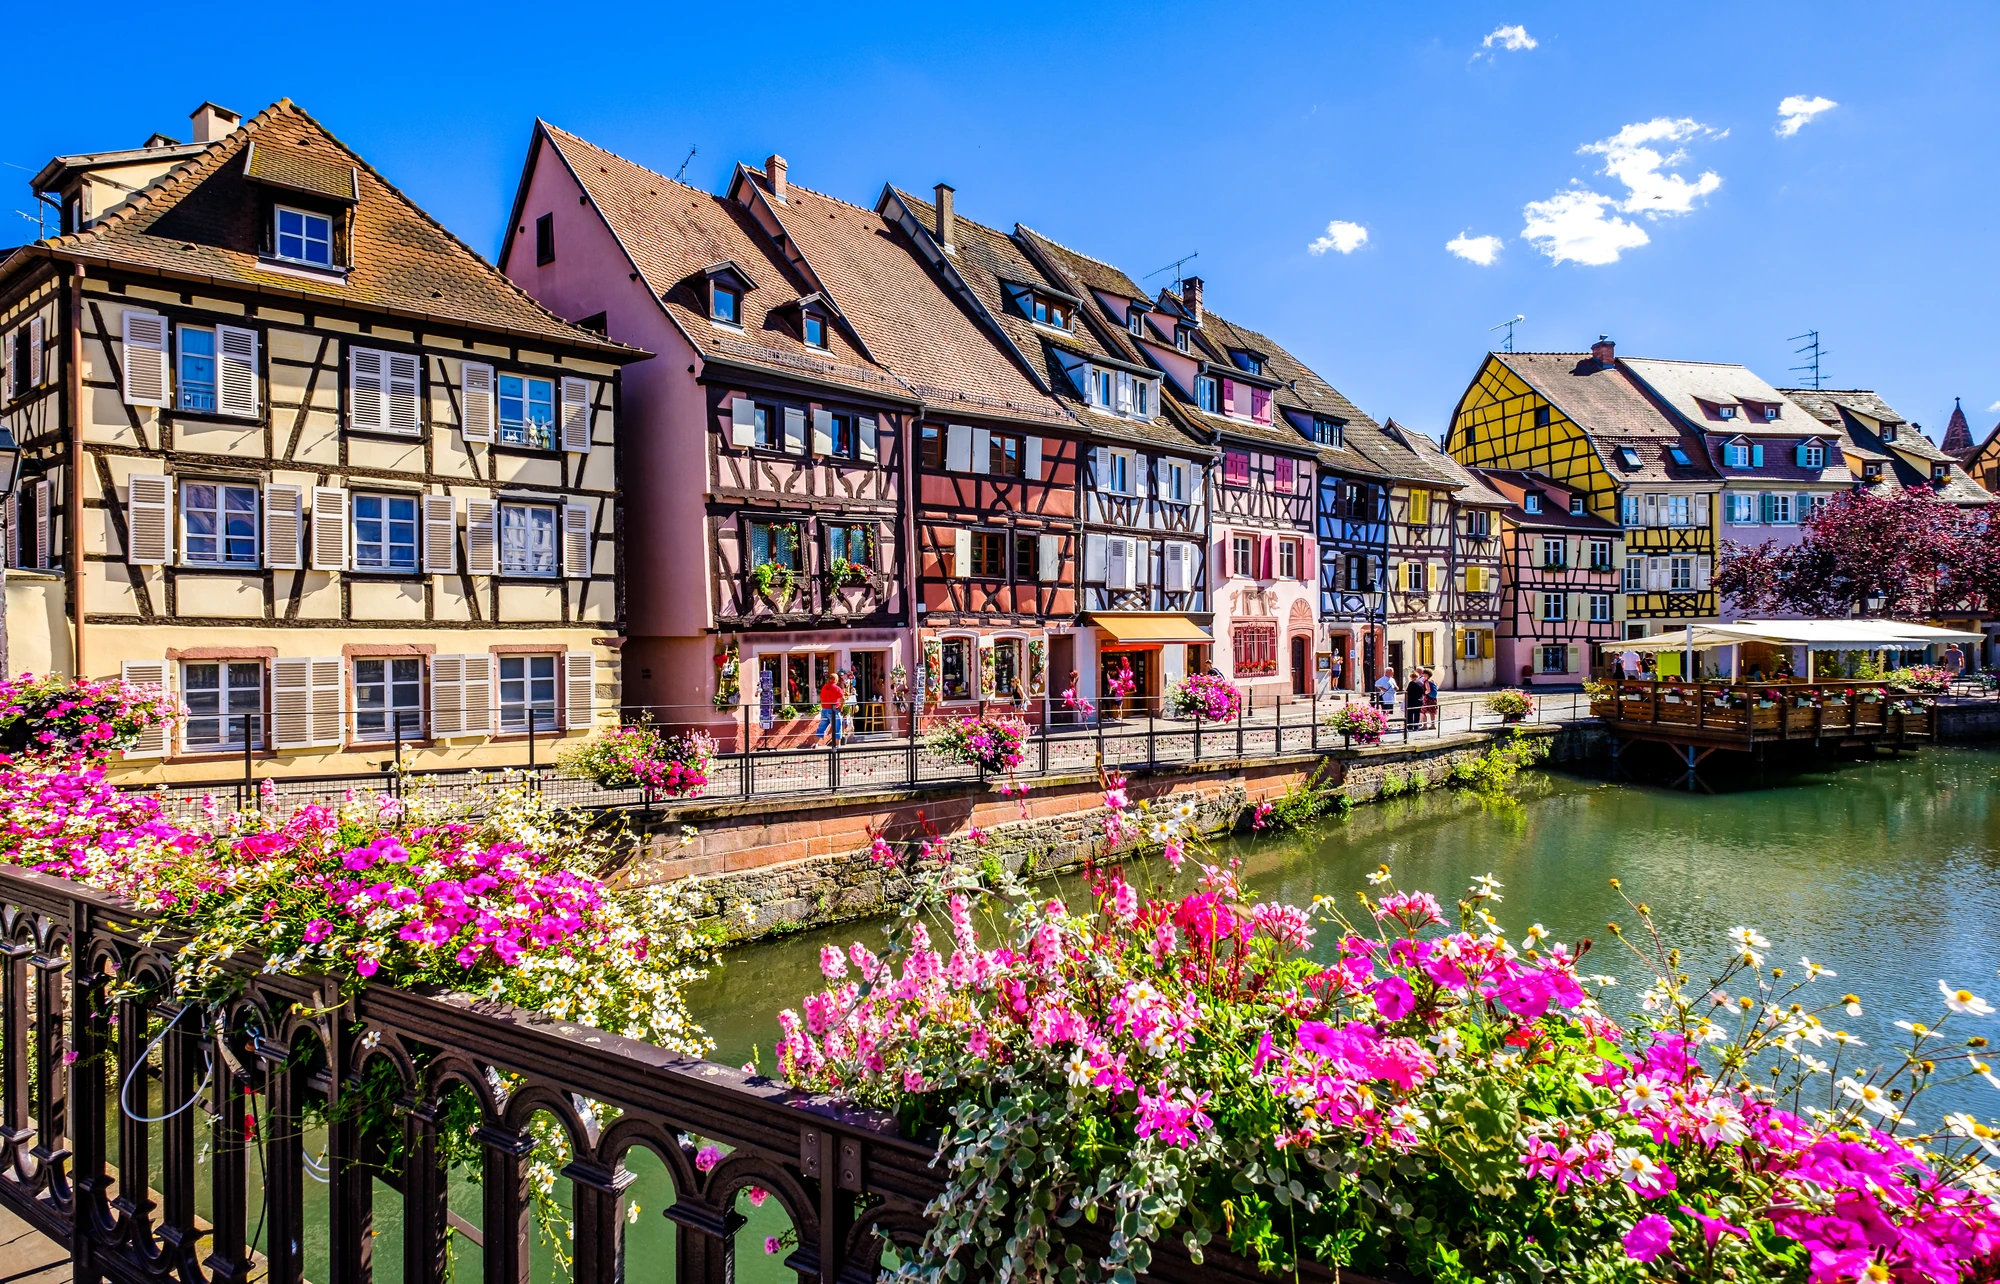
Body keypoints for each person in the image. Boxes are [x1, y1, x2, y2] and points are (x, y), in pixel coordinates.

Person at [816, 671, 845, 745]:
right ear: (835, 680)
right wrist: (841, 707)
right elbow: (843, 698)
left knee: (821, 728)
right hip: (833, 710)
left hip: (824, 709)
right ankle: (837, 747)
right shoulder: (836, 688)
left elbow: (821, 697)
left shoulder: (824, 687)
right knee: (837, 727)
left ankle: (814, 744)